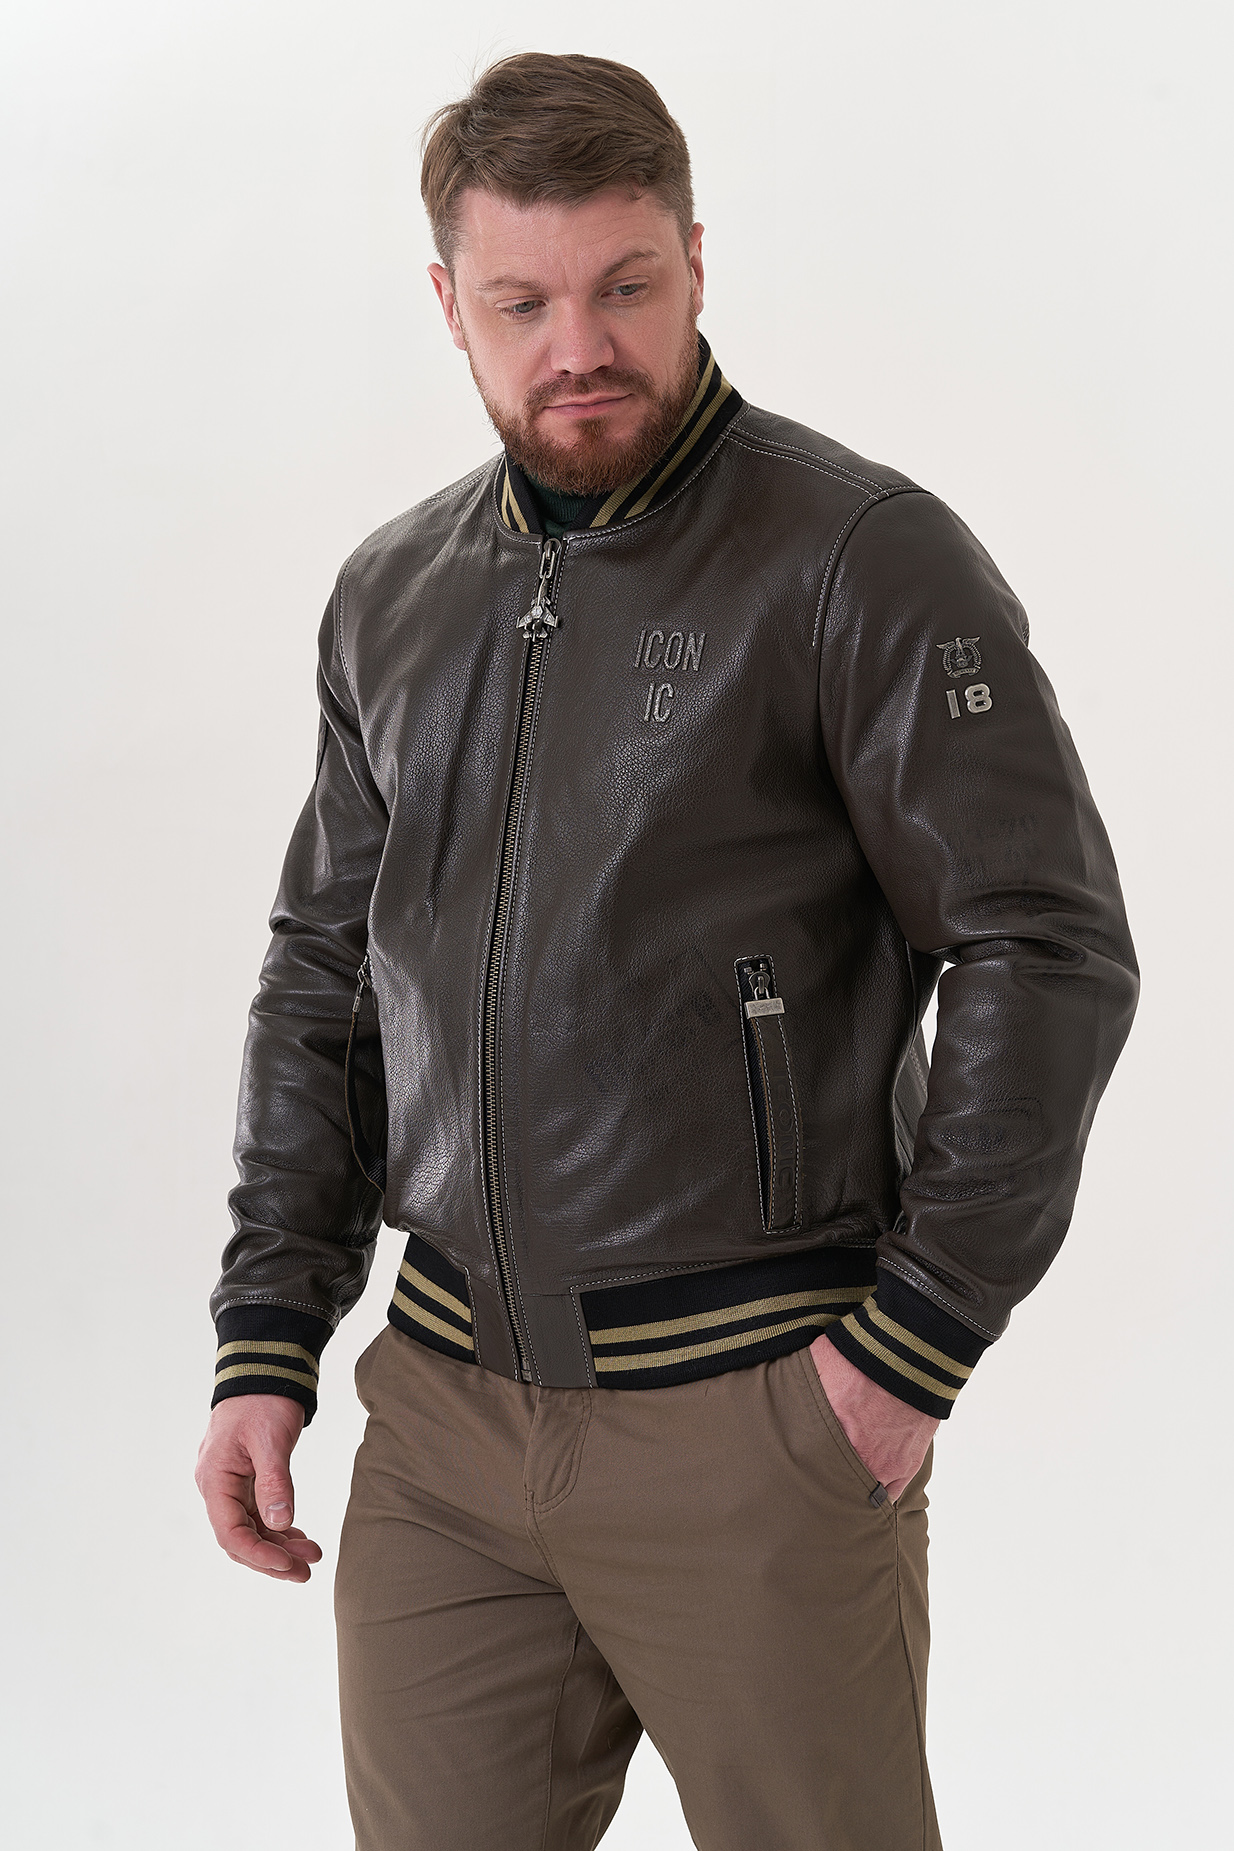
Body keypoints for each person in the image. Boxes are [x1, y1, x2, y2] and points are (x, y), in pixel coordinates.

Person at [195, 51, 1138, 1851]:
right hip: (444, 1429)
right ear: (448, 305)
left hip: (756, 1417)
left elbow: (1044, 944)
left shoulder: (862, 559)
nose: (580, 348)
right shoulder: (391, 593)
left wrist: (910, 1349)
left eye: (624, 286)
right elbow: (326, 973)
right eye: (522, 304)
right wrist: (267, 1333)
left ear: (696, 262)